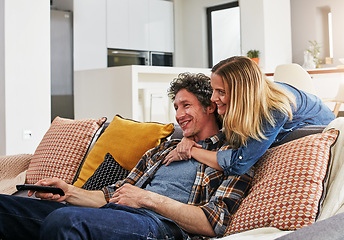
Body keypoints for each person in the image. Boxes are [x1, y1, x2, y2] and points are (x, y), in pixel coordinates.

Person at [0, 73, 252, 240]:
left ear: (210, 106)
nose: (178, 114)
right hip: (117, 213)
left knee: (67, 221)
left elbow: (214, 222)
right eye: (176, 107)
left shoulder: (232, 155)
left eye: (186, 105)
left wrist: (146, 198)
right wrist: (68, 191)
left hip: (161, 227)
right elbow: (114, 194)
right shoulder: (162, 150)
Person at [164, 56, 335, 176]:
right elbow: (209, 125)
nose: (213, 98)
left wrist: (191, 151)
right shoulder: (239, 103)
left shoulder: (273, 110)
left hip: (319, 129)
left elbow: (239, 164)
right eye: (214, 89)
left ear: (241, 94)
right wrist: (189, 136)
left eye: (220, 92)